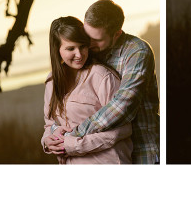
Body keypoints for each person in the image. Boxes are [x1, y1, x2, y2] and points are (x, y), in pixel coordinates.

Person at [51, 0, 160, 164]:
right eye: (87, 36)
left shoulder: (137, 51)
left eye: (96, 39)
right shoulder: (89, 53)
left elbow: (122, 105)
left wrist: (75, 134)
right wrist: (54, 133)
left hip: (143, 152)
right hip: (103, 155)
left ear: (116, 34)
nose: (89, 44)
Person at [41, 17, 132, 164]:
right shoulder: (52, 81)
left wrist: (71, 145)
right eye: (71, 48)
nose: (79, 54)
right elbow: (49, 124)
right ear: (57, 50)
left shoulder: (102, 76)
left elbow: (123, 129)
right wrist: (47, 141)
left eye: (82, 46)